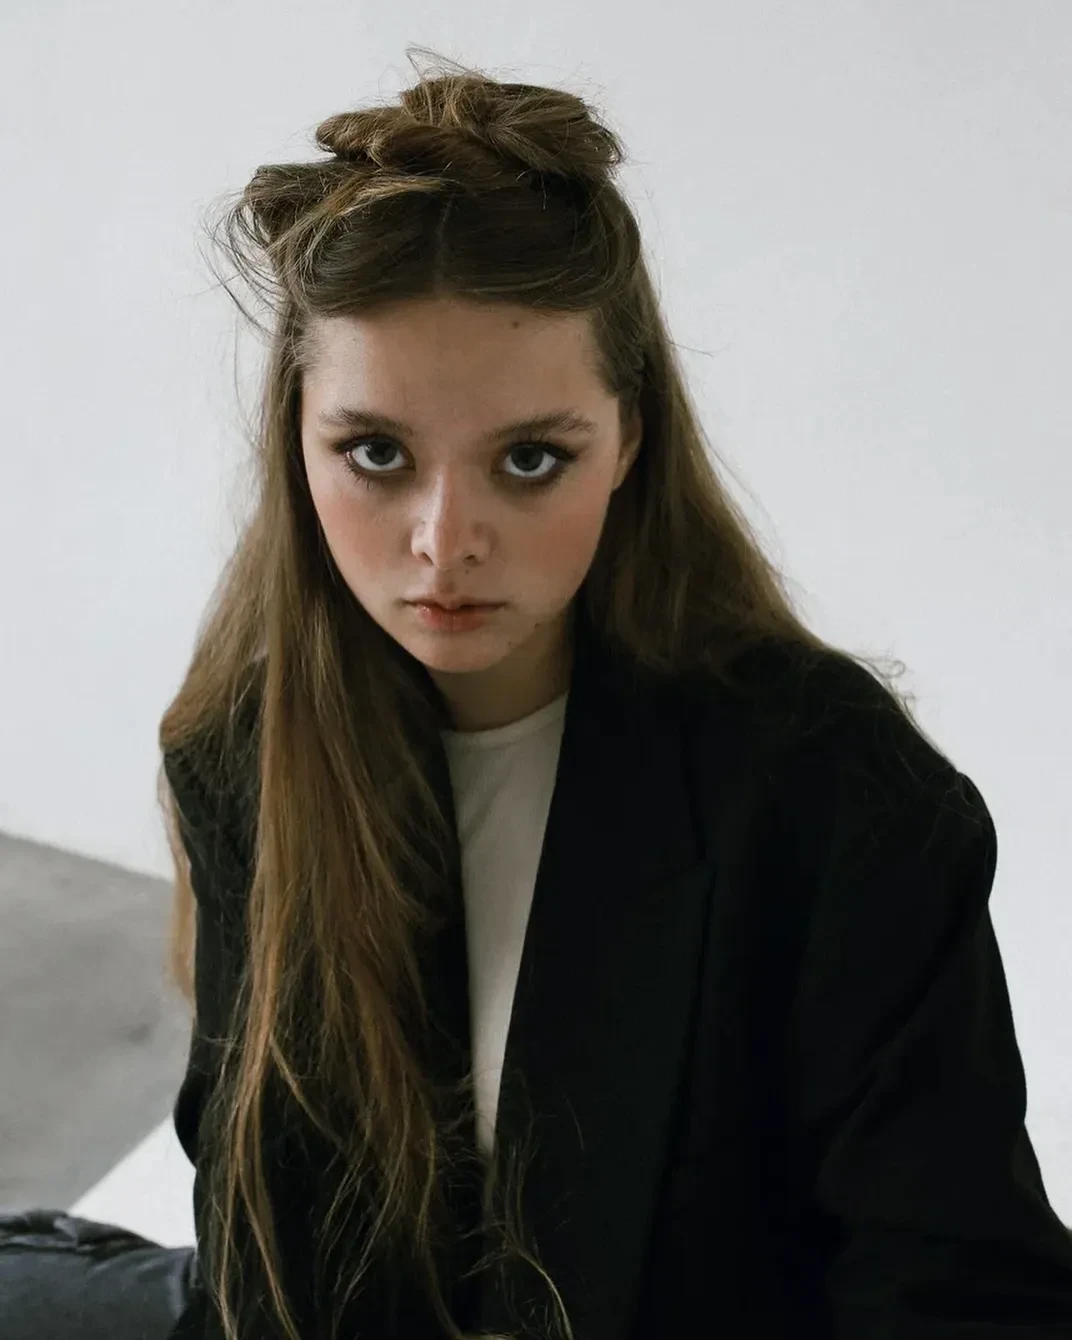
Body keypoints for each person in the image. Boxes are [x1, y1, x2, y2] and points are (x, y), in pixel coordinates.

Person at [5, 43, 1072, 1340]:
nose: (443, 542)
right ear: (297, 438)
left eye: (527, 460)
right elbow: (265, 1265)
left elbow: (964, 1297)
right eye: (377, 453)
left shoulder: (839, 796)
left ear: (627, 440)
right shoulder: (245, 750)